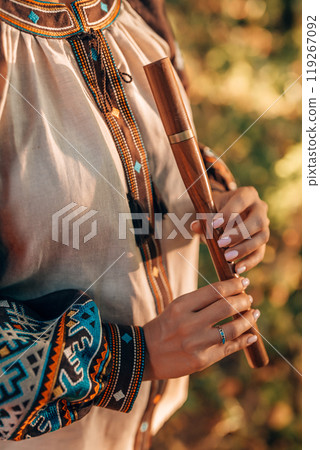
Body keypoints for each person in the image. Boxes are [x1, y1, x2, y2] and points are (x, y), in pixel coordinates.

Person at [0, 0, 270, 448]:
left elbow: (153, 147)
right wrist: (131, 356)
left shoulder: (138, 8)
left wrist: (219, 200)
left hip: (144, 429)